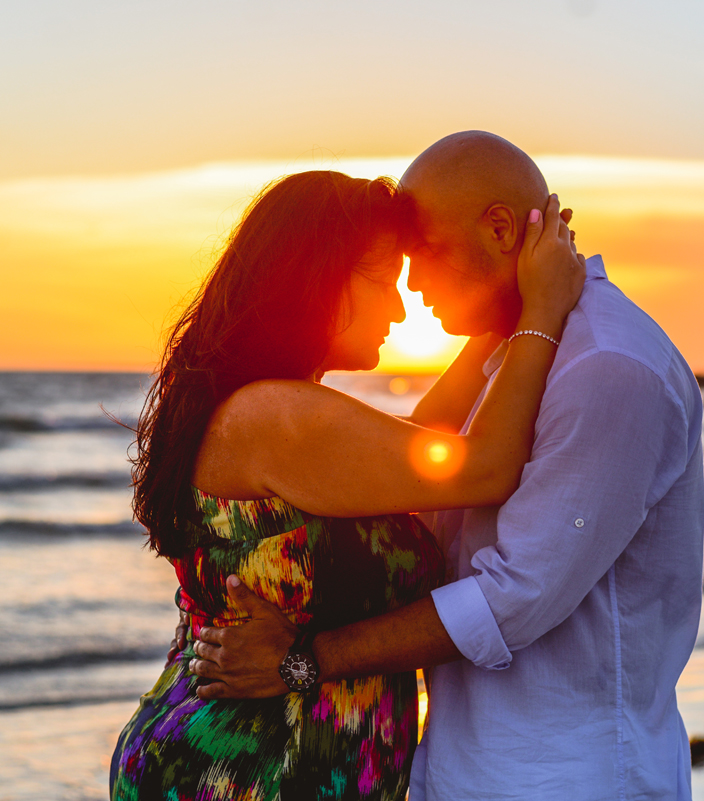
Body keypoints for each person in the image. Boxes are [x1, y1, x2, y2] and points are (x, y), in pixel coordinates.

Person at [184, 132, 704, 800]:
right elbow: (441, 462)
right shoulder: (513, 361)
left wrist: (302, 661)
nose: (413, 288)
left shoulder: (606, 366)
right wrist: (529, 307)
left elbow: (511, 594)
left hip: (566, 775)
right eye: (388, 270)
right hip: (455, 765)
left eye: (421, 255)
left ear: (498, 228)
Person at [109, 169, 585, 800]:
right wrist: (543, 311)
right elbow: (484, 467)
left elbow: (418, 442)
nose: (399, 305)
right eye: (382, 280)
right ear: (313, 276)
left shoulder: (273, 411)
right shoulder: (274, 417)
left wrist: (502, 312)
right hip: (250, 772)